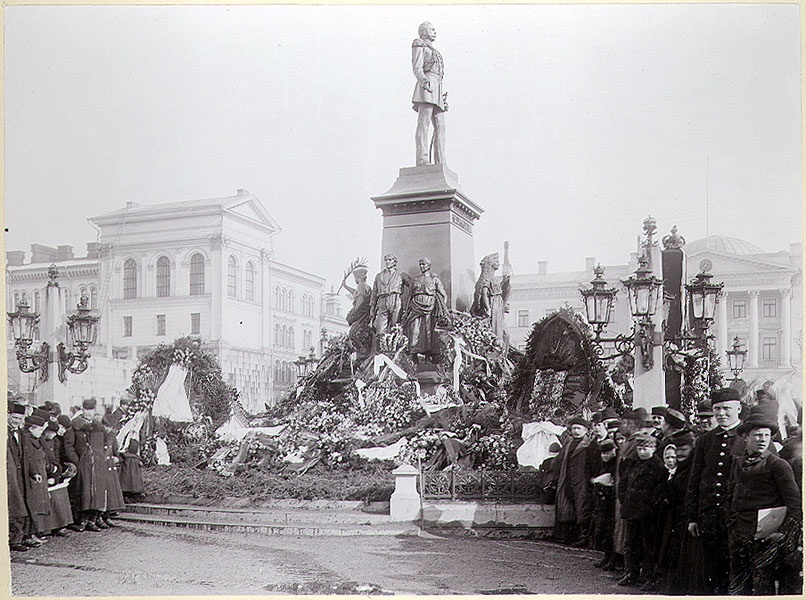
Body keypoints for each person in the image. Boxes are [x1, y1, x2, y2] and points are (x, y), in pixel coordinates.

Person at [727, 406, 802, 595]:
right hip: (740, 535)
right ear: (745, 438)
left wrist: (782, 534)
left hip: (766, 537)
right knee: (739, 586)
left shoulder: (778, 465)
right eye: (757, 435)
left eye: (766, 435)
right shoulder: (737, 463)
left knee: (762, 589)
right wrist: (732, 525)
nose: (762, 440)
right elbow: (731, 496)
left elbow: (795, 504)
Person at [685, 387, 746, 594]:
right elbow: (695, 480)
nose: (721, 413)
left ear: (738, 408)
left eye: (726, 408)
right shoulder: (705, 440)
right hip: (710, 517)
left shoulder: (748, 437)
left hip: (738, 517)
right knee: (712, 571)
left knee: (737, 572)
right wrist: (693, 517)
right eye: (717, 409)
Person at [618, 433, 666, 588]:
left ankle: (649, 577)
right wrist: (624, 500)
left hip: (648, 514)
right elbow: (623, 483)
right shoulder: (634, 464)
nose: (642, 452)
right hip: (631, 511)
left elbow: (659, 490)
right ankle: (630, 573)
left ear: (653, 449)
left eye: (645, 449)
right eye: (639, 449)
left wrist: (650, 507)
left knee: (648, 546)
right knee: (630, 544)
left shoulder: (658, 466)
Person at [554, 416, 595, 547]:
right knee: (568, 507)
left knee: (582, 507)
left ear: (586, 430)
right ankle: (569, 535)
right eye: (573, 429)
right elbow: (560, 460)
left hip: (582, 480)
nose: (576, 431)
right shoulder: (568, 443)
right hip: (568, 478)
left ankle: (584, 536)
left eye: (579, 428)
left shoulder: (588, 444)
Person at [71, 397, 110, 531]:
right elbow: (69, 445)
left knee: (97, 492)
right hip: (83, 464)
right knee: (84, 492)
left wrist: (102, 456)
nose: (88, 412)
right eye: (86, 409)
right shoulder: (75, 425)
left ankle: (93, 519)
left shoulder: (99, 426)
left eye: (91, 410)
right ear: (82, 410)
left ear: (94, 411)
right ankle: (82, 520)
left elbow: (106, 441)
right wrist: (77, 461)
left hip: (98, 464)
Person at [411, 21, 447, 166]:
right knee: (423, 122)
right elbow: (417, 67)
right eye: (432, 29)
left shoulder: (435, 51)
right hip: (427, 86)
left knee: (440, 126)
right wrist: (423, 80)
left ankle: (441, 162)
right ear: (424, 31)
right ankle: (422, 158)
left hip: (437, 90)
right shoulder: (419, 44)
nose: (435, 32)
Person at [401, 257, 449, 361]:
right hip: (415, 307)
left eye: (424, 264)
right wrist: (407, 310)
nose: (422, 266)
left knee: (428, 330)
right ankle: (413, 354)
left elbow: (444, 295)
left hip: (430, 307)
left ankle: (428, 355)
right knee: (415, 330)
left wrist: (441, 309)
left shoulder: (434, 279)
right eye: (420, 264)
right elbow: (410, 296)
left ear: (429, 266)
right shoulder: (415, 279)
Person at [21, 408, 52, 544]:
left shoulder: (35, 440)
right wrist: (35, 472)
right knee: (32, 506)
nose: (41, 432)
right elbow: (29, 459)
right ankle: (30, 534)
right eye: (39, 430)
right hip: (34, 478)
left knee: (38, 505)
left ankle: (35, 532)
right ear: (31, 429)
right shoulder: (28, 441)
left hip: (40, 476)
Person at [369, 254, 411, 351]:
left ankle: (396, 353)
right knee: (380, 330)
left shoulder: (401, 275)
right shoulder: (379, 276)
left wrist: (410, 302)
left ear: (394, 262)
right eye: (386, 260)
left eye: (390, 260)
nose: (387, 262)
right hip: (382, 301)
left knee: (395, 327)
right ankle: (379, 353)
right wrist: (372, 307)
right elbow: (374, 293)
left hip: (395, 300)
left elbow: (412, 286)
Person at [470, 253, 511, 350]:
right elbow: (483, 293)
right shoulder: (486, 278)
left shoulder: (494, 278)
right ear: (491, 263)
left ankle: (502, 355)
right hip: (493, 307)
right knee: (497, 334)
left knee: (506, 334)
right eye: (496, 261)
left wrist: (504, 282)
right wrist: (488, 308)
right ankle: (496, 353)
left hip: (498, 306)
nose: (499, 264)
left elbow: (496, 289)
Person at [7, 400, 30, 552]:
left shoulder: (22, 434)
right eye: (15, 418)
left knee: (21, 505)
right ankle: (13, 539)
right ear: (8, 415)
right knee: (13, 506)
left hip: (21, 474)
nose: (17, 421)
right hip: (10, 475)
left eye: (20, 419)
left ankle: (18, 538)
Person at [591, 438, 618, 570]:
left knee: (610, 530)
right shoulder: (602, 465)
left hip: (610, 501)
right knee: (603, 529)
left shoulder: (614, 466)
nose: (605, 456)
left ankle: (612, 558)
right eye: (603, 453)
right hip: (601, 501)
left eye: (608, 453)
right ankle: (606, 556)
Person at [342, 264, 373, 359]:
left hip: (361, 314)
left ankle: (362, 351)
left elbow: (360, 300)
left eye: (355, 277)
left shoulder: (361, 286)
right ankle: (362, 350)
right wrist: (346, 286)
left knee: (353, 333)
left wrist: (353, 313)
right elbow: (356, 293)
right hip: (365, 314)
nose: (354, 279)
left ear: (358, 277)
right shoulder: (365, 286)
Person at [119, 438, 145, 502]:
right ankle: (131, 497)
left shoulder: (125, 456)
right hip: (134, 477)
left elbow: (119, 461)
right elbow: (141, 464)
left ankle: (126, 497)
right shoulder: (137, 458)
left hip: (125, 476)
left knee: (125, 484)